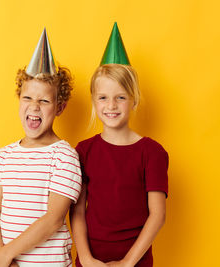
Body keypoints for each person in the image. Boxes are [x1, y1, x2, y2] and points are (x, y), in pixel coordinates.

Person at [71, 23, 169, 267]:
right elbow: (78, 211)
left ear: (134, 101)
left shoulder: (153, 153)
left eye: (121, 97)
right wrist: (85, 258)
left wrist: (127, 263)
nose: (111, 105)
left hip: (135, 260)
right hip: (90, 260)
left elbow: (157, 215)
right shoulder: (83, 151)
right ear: (94, 102)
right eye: (103, 98)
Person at [0, 28, 82, 267]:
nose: (34, 106)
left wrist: (8, 253)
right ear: (19, 100)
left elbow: (54, 218)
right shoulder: (4, 155)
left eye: (44, 100)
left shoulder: (64, 156)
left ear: (59, 107)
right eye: (28, 98)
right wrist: (2, 257)